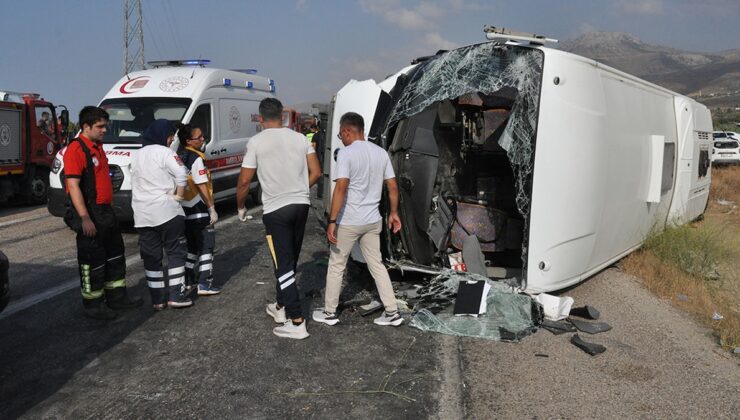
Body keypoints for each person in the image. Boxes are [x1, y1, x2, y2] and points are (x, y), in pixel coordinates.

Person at [236, 98, 321, 339]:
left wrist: (241, 207)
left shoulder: (256, 142)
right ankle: (281, 306)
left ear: (260, 118)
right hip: (301, 204)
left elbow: (244, 181)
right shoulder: (300, 138)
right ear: (282, 116)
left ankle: (296, 321)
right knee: (290, 258)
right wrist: (297, 189)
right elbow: (316, 172)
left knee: (282, 264)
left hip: (277, 209)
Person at [312, 112, 404, 327]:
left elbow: (341, 187)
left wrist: (332, 221)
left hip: (350, 220)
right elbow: (392, 186)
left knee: (337, 265)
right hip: (373, 220)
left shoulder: (346, 153)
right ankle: (392, 312)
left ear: (346, 131)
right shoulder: (381, 153)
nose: (341, 138)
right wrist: (393, 213)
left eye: (340, 134)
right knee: (377, 264)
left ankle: (329, 312)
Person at [63, 106, 143, 320]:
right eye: (100, 126)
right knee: (93, 260)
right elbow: (73, 185)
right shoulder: (76, 150)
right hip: (91, 213)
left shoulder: (97, 146)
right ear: (86, 126)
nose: (104, 130)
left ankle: (117, 298)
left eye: (105, 126)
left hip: (105, 212)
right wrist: (85, 218)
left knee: (115, 255)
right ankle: (94, 305)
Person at [130, 119, 192, 310]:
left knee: (151, 257)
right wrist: (179, 196)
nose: (172, 140)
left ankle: (158, 299)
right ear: (165, 136)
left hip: (142, 214)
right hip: (166, 211)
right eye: (171, 136)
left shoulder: (136, 154)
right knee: (174, 252)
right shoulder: (165, 152)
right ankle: (176, 295)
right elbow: (182, 173)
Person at [176, 123, 220, 296]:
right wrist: (211, 208)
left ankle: (189, 281)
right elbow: (201, 185)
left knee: (191, 248)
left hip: (184, 210)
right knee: (207, 247)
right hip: (199, 208)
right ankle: (205, 283)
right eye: (199, 137)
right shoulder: (196, 159)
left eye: (203, 136)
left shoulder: (179, 156)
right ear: (188, 140)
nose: (203, 139)